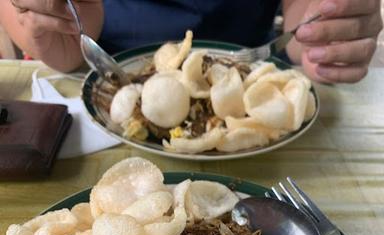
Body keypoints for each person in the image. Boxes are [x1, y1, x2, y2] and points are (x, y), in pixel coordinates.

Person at [1, 0, 382, 83]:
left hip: (250, 74)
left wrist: (324, 30)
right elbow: (18, 10)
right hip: (102, 75)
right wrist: (53, 27)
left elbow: (302, 15)